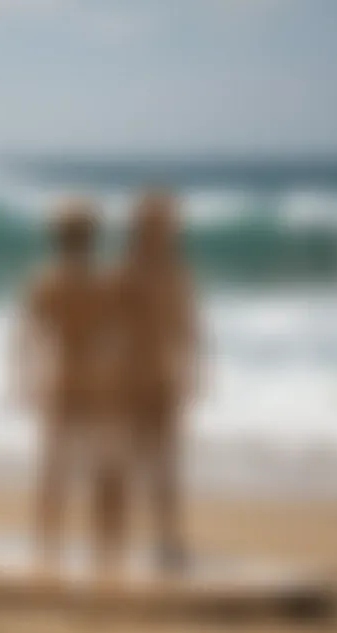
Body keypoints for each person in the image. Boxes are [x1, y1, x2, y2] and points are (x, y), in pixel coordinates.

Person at [13, 201, 116, 575]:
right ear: (92, 236)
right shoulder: (104, 280)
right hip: (100, 379)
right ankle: (106, 554)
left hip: (61, 378)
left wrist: (24, 379)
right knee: (103, 471)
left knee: (55, 471)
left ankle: (47, 551)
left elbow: (26, 338)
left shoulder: (45, 279)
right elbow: (119, 337)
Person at [108, 192, 198, 570]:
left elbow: (190, 331)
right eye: (155, 224)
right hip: (129, 379)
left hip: (164, 379)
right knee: (123, 461)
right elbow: (109, 330)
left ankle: (168, 538)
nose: (163, 231)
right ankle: (111, 539)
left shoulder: (178, 275)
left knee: (166, 465)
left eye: (167, 225)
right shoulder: (125, 274)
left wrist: (192, 372)